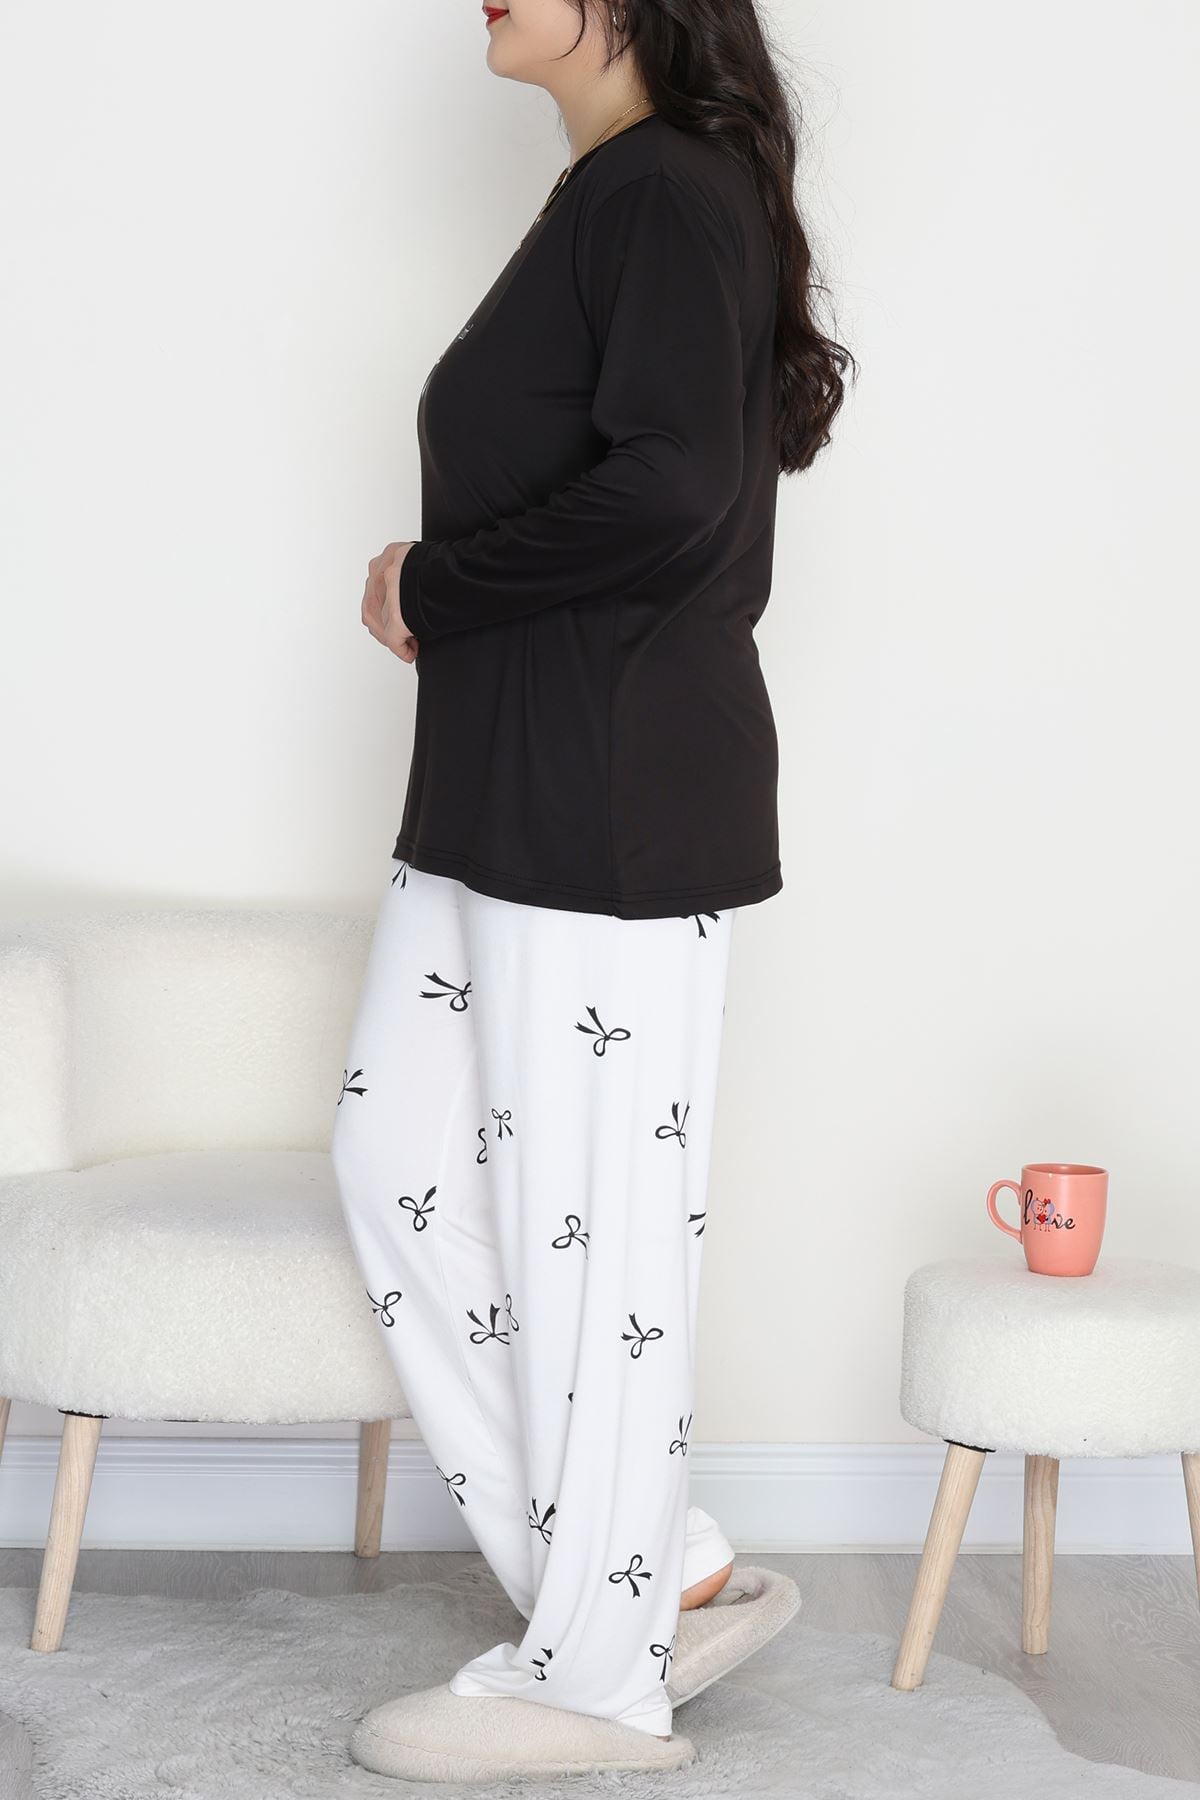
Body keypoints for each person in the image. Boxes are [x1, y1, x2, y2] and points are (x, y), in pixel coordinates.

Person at [330, 0, 851, 1781]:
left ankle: (596, 1678)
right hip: (507, 783)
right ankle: (657, 1569)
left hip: (612, 796)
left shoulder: (668, 191)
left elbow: (675, 492)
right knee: (403, 1170)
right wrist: (451, 590)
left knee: (592, 1240)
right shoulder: (620, 192)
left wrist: (437, 580)